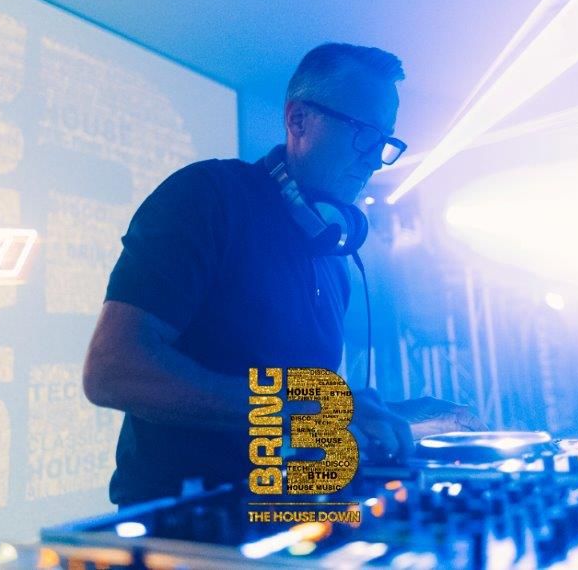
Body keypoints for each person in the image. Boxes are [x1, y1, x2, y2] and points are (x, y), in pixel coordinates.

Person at [83, 43, 484, 507]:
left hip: (292, 513)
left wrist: (400, 418)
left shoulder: (330, 255)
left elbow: (297, 411)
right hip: (190, 524)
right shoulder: (207, 199)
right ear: (298, 120)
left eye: (384, 141)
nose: (375, 159)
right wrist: (309, 406)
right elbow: (112, 370)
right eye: (363, 133)